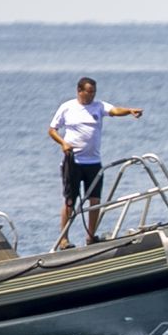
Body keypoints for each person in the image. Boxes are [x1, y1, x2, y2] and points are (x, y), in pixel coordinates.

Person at [48, 77, 143, 248]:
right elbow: (52, 130)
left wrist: (129, 111)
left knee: (95, 201)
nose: (91, 95)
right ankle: (64, 239)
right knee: (71, 201)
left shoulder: (99, 106)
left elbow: (114, 111)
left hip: (94, 163)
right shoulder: (67, 107)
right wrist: (63, 143)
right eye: (88, 92)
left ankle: (91, 236)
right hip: (73, 161)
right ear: (80, 91)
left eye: (93, 92)